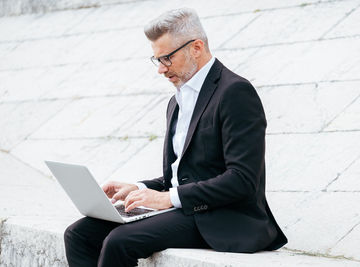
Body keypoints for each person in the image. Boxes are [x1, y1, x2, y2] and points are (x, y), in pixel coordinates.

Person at [64, 8, 287, 267]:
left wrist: (167, 198)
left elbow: (243, 180)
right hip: (185, 209)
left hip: (223, 216)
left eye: (167, 58)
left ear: (196, 48)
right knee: (78, 235)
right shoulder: (176, 101)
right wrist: (139, 188)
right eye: (156, 60)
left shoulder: (235, 92)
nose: (160, 69)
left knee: (120, 240)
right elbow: (180, 174)